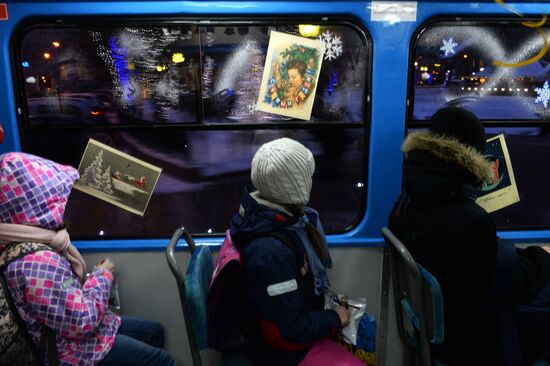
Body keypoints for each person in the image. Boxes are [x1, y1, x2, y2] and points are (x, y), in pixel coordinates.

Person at [388, 107, 550, 365]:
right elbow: (511, 286)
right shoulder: (469, 219)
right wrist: (542, 256)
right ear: (474, 157)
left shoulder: (405, 202)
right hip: (472, 341)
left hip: (439, 327)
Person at [0, 152, 176, 366]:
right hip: (73, 353)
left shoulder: (36, 243)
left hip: (72, 337)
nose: (62, 206)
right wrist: (103, 276)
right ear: (36, 207)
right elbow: (81, 321)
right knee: (164, 361)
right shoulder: (38, 262)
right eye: (54, 200)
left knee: (154, 333)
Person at [230, 137, 363, 366]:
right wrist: (334, 318)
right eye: (307, 176)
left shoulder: (287, 222)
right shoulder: (272, 253)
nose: (312, 181)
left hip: (296, 324)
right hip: (284, 352)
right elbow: (289, 330)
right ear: (294, 185)